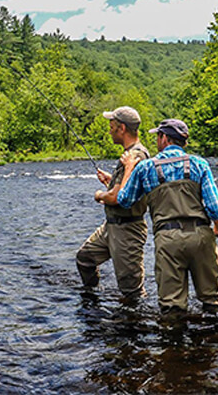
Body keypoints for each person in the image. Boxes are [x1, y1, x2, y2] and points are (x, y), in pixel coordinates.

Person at [117, 119, 218, 315]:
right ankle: (215, 342)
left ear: (165, 138)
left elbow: (124, 200)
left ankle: (174, 344)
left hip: (167, 240)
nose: (157, 141)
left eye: (158, 136)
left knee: (172, 307)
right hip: (201, 236)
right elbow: (216, 208)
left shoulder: (145, 168)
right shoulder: (199, 164)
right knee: (211, 300)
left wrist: (128, 170)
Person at [76, 106, 150, 301]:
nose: (109, 131)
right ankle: (93, 301)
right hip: (112, 226)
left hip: (127, 230)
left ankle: (136, 323)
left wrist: (100, 195)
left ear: (122, 129)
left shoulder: (136, 156)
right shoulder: (130, 154)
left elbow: (117, 198)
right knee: (85, 259)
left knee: (132, 290)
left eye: (112, 127)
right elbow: (126, 188)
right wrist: (110, 180)